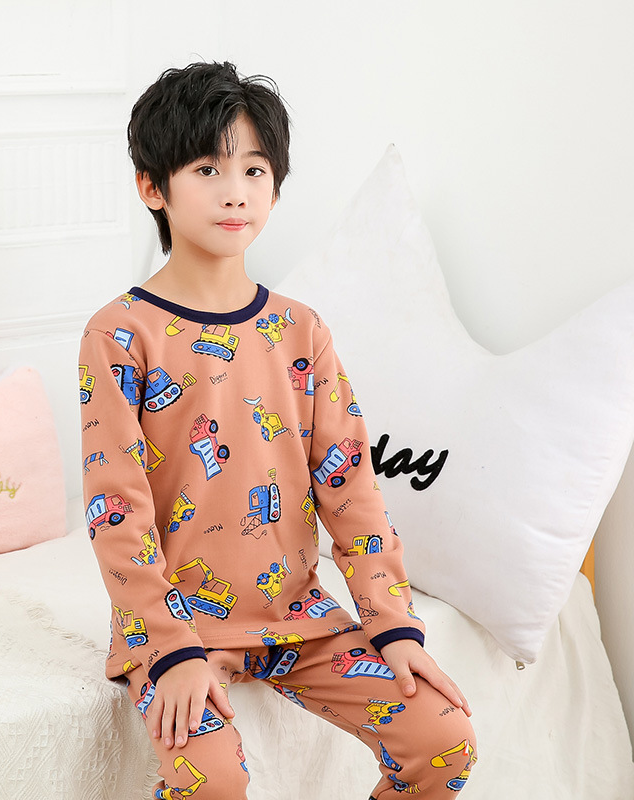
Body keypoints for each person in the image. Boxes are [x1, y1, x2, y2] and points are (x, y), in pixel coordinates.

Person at [79, 61, 476, 799]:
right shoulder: (119, 334)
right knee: (212, 780)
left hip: (302, 621)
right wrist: (168, 649)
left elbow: (351, 487)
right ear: (152, 187)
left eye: (255, 170)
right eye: (207, 169)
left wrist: (392, 624)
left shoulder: (302, 330)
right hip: (181, 630)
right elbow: (116, 508)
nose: (236, 190)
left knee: (444, 738)